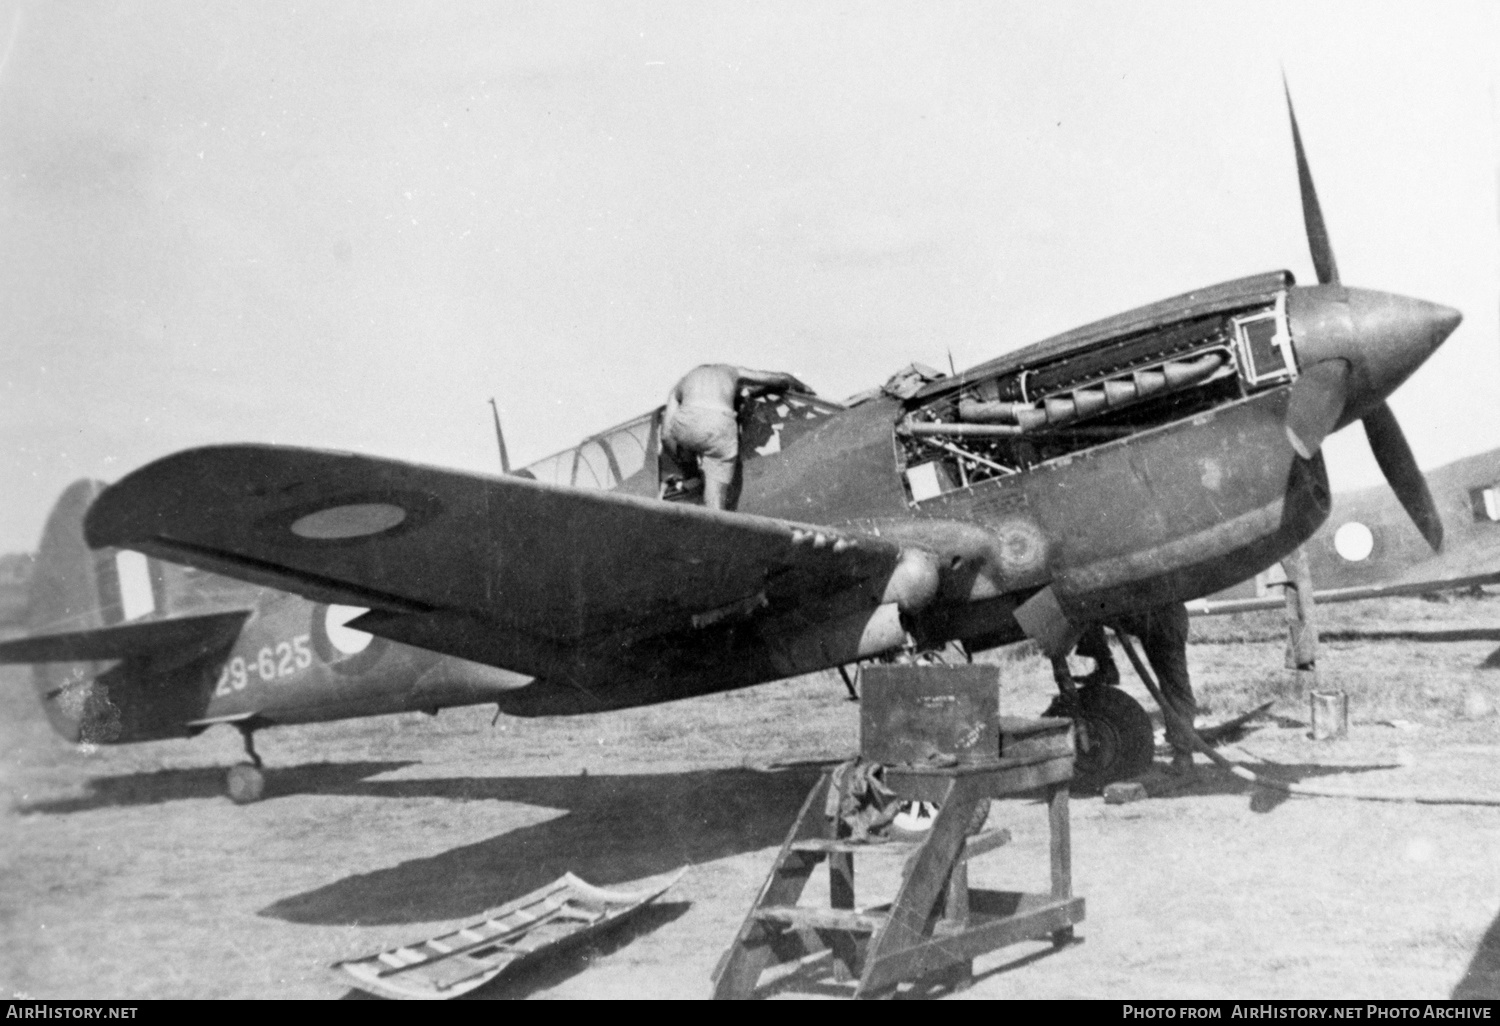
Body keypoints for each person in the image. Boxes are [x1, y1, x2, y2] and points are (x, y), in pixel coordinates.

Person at [661, 364, 810, 511]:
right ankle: (714, 518)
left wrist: (688, 469)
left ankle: (693, 480)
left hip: (686, 422)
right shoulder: (732, 371)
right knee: (716, 498)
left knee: (686, 443)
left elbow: (666, 435)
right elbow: (782, 378)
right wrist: (805, 389)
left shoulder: (682, 382)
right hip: (720, 424)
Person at [1074, 602, 1199, 774]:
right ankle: (1105, 666)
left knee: (1174, 686)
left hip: (1164, 617)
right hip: (1147, 610)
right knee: (1082, 605)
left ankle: (1183, 755)